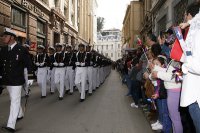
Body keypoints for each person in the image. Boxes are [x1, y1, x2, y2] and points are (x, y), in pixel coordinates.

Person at [0, 28, 31, 132]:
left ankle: (11, 125)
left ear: (12, 37)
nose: (3, 38)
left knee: (14, 100)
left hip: (17, 80)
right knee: (13, 98)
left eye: (5, 36)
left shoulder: (21, 49)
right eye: (3, 36)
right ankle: (20, 113)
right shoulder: (3, 49)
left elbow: (28, 64)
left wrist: (30, 77)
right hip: (7, 80)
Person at [179, 2, 200, 133]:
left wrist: (185, 64)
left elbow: (197, 65)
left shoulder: (197, 31)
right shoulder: (194, 27)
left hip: (195, 95)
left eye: (186, 16)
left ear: (190, 15)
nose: (184, 19)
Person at [151, 59, 183, 133]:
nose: (171, 46)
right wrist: (156, 68)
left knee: (175, 119)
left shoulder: (178, 59)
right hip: (172, 90)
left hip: (174, 90)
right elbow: (169, 71)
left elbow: (177, 76)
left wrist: (158, 74)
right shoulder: (174, 59)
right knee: (173, 118)